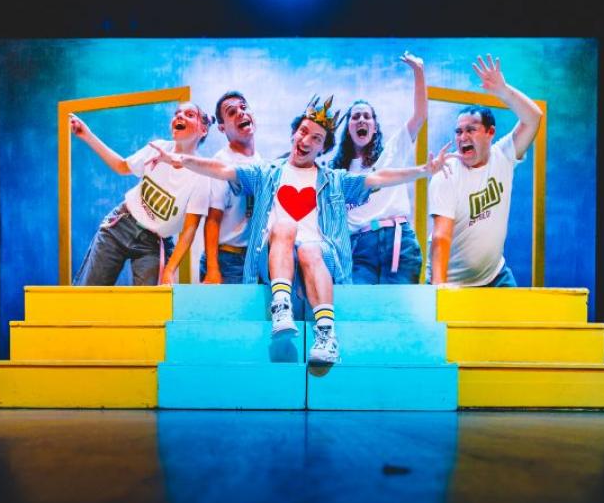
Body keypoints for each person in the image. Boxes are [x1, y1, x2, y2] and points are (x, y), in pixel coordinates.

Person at [147, 95, 456, 364]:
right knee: (283, 226)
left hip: (320, 258)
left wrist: (423, 170)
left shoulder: (334, 180)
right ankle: (281, 308)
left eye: (316, 138)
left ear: (322, 148)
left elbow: (378, 178)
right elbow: (223, 170)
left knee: (309, 248)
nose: (306, 140)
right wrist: (181, 159)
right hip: (274, 256)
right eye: (303, 132)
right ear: (294, 133)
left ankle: (326, 335)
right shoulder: (266, 173)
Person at [429, 54, 543, 286]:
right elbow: (440, 237)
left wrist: (503, 91)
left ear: (490, 133)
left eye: (471, 130)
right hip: (454, 283)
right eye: (458, 132)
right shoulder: (447, 174)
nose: (463, 137)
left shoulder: (504, 155)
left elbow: (534, 118)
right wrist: (438, 292)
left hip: (495, 275)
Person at [69, 102, 213, 286]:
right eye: (177, 113)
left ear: (203, 130)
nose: (179, 116)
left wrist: (170, 270)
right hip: (122, 224)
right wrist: (87, 135)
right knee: (90, 293)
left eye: (190, 114)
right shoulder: (158, 147)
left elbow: (190, 229)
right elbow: (121, 166)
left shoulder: (202, 175)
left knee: (151, 301)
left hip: (154, 242)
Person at [329, 51, 427, 283]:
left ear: (374, 127)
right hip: (359, 247)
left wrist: (418, 72)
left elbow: (420, 115)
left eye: (367, 116)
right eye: (355, 117)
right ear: (348, 128)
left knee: (397, 304)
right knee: (361, 304)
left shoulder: (392, 151)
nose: (361, 120)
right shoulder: (337, 172)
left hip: (397, 240)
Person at [200, 91, 263, 284]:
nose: (241, 113)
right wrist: (213, 269)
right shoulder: (221, 163)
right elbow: (212, 219)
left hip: (254, 259)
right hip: (227, 259)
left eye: (244, 107)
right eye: (231, 112)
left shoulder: (260, 162)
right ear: (222, 128)